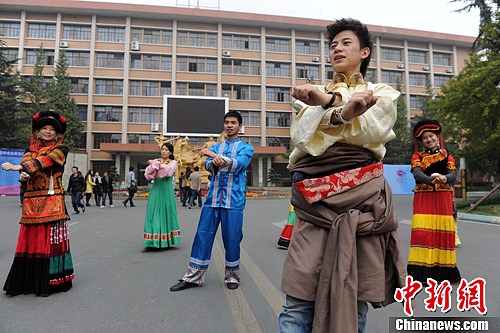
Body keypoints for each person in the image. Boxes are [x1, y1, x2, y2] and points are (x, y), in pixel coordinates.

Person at [278, 19, 406, 333]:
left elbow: (376, 127)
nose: (336, 48)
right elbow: (302, 136)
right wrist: (339, 109)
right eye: (333, 44)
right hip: (313, 202)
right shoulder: (313, 93)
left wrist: (333, 109)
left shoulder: (382, 92)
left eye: (345, 42)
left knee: (356, 303)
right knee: (296, 304)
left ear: (365, 51)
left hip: (361, 204)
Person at [170, 111, 254, 292]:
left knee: (232, 238)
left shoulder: (246, 148)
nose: (229, 125)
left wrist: (211, 155)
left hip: (234, 201)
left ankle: (232, 275)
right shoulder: (217, 146)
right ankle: (194, 276)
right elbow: (207, 166)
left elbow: (238, 165)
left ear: (240, 126)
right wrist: (214, 160)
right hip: (213, 199)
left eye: (233, 122)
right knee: (202, 235)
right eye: (226, 122)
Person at [1, 110, 74, 296]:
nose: (48, 131)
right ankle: (27, 281)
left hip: (52, 202)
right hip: (31, 202)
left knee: (48, 240)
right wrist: (24, 175)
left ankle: (53, 281)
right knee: (30, 240)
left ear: (57, 133)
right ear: (38, 131)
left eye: (51, 129)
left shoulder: (61, 150)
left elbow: (46, 161)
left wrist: (20, 167)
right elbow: (26, 173)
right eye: (44, 128)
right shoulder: (29, 151)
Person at [407, 119, 461, 284]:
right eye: (425, 138)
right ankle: (420, 274)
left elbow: (453, 174)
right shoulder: (418, 156)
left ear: (437, 137)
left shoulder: (447, 155)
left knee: (442, 233)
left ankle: (444, 273)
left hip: (443, 198)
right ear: (422, 141)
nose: (428, 140)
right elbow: (416, 174)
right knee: (423, 233)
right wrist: (432, 180)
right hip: (424, 198)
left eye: (431, 136)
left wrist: (444, 178)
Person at [142, 142, 181, 252]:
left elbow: (167, 172)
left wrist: (155, 164)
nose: (163, 151)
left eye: (166, 149)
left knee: (166, 213)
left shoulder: (173, 162)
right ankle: (150, 242)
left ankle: (165, 241)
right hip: (156, 189)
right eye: (162, 149)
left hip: (166, 190)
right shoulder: (157, 161)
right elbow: (148, 175)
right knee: (152, 214)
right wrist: (154, 165)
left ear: (171, 152)